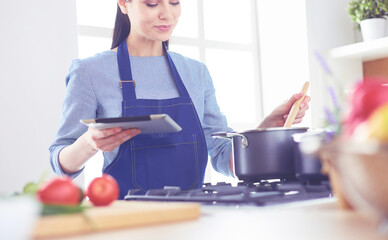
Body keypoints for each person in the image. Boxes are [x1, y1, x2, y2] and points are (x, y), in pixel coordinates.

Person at [49, 0, 311, 199]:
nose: (167, 13)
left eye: (174, 1)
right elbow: (60, 163)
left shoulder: (196, 73)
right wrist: (88, 143)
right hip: (125, 224)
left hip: (192, 221)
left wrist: (264, 130)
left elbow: (222, 156)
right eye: (152, 3)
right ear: (124, 3)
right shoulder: (90, 72)